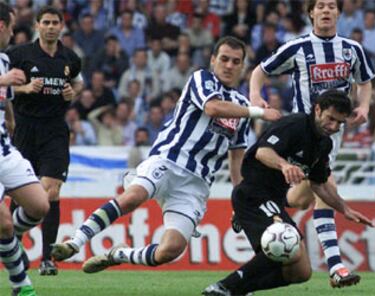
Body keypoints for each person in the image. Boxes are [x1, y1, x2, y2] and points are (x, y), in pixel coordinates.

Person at [50, 36, 280, 273]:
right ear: (213, 60)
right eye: (224, 59)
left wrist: (238, 200)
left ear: (242, 67)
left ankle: (119, 253)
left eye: (236, 61)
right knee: (132, 197)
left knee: (170, 249)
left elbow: (236, 159)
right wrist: (258, 113)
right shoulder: (202, 79)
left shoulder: (240, 106)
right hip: (169, 160)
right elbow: (212, 108)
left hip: (196, 184)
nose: (229, 65)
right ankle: (75, 243)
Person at [247, 0, 375, 288]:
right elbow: (259, 70)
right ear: (311, 13)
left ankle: (256, 204)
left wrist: (364, 107)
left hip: (334, 133)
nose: (326, 10)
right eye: (320, 6)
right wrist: (255, 97)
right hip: (303, 131)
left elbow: (365, 81)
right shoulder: (298, 47)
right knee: (325, 185)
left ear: (339, 13)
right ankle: (337, 267)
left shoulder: (351, 49)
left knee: (302, 197)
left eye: (332, 5)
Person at [203, 90, 374, 296]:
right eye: (330, 119)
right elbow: (262, 151)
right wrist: (284, 165)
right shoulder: (295, 125)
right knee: (286, 243)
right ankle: (224, 287)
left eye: (339, 123)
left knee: (301, 272)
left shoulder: (324, 144)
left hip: (274, 200)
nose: (334, 127)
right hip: (253, 193)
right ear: (317, 109)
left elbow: (319, 185)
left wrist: (345, 209)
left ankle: (237, 290)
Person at [7, 6, 83, 276]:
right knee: (22, 193)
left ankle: (48, 258)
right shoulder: (18, 55)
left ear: (62, 26)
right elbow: (3, 84)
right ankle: (13, 246)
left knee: (51, 191)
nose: (51, 27)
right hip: (25, 128)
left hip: (54, 131)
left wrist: (71, 93)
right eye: (46, 22)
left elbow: (78, 84)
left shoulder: (70, 58)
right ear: (37, 25)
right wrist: (24, 88)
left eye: (55, 22)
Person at [0, 3, 50, 295]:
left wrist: (9, 114)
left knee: (39, 205)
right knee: (4, 222)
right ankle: (21, 284)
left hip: (4, 147)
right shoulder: (5, 70)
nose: (15, 32)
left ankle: (9, 244)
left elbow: (4, 96)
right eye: (14, 26)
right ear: (2, 26)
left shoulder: (4, 60)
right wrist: (5, 81)